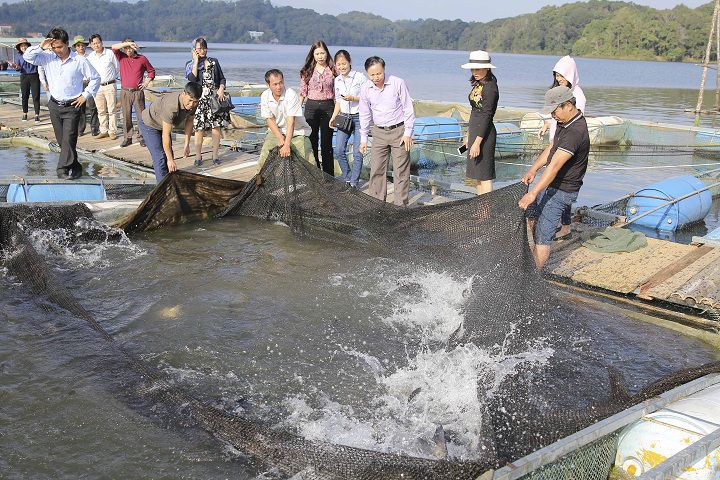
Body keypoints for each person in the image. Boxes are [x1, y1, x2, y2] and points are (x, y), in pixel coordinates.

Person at [518, 86, 590, 270]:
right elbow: (552, 147)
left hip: (563, 189)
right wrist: (533, 169)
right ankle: (532, 264)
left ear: (568, 106)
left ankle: (532, 279)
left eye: (554, 110)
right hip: (552, 184)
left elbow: (555, 165)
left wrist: (533, 193)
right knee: (533, 221)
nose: (553, 115)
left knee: (543, 235)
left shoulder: (575, 131)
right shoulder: (563, 122)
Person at [23, 27, 100, 179]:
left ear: (67, 43)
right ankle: (77, 167)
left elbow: (96, 77)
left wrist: (86, 95)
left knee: (69, 138)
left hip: (73, 105)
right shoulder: (47, 57)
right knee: (62, 142)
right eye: (54, 47)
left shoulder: (79, 60)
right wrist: (41, 46)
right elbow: (28, 57)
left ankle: (61, 170)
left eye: (60, 47)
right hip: (54, 105)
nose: (57, 50)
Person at [539, 55, 587, 240]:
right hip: (556, 142)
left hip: (568, 147)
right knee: (555, 185)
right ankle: (560, 223)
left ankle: (565, 225)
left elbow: (574, 122)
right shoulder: (558, 92)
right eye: (556, 75)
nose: (559, 79)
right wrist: (547, 125)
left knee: (562, 186)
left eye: (562, 75)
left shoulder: (577, 95)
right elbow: (557, 117)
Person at [358, 56, 415, 207]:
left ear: (384, 70)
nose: (376, 77)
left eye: (379, 73)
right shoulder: (365, 88)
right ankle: (376, 205)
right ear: (367, 74)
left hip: (399, 131)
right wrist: (363, 138)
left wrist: (408, 133)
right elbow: (364, 114)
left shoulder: (397, 83)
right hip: (379, 132)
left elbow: (408, 108)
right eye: (372, 75)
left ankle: (400, 206)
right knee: (376, 169)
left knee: (401, 171)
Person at [138, 82, 200, 182]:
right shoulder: (171, 106)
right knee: (161, 157)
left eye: (195, 101)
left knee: (169, 155)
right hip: (149, 123)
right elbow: (165, 135)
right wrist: (170, 160)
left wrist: (186, 144)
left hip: (162, 124)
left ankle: (169, 181)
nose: (192, 104)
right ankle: (162, 189)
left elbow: (189, 121)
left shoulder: (193, 104)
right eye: (190, 100)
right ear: (184, 94)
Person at [185, 38, 229, 166]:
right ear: (194, 50)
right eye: (199, 48)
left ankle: (215, 155)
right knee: (199, 128)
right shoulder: (190, 64)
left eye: (204, 48)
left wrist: (221, 88)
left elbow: (222, 78)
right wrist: (196, 61)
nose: (202, 51)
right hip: (199, 100)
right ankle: (198, 156)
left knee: (216, 127)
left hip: (214, 99)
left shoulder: (214, 62)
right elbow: (192, 80)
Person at [258, 69, 313, 170]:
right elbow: (269, 119)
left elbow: (291, 122)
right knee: (264, 155)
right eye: (275, 84)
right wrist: (279, 138)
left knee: (306, 158)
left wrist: (286, 144)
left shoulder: (290, 94)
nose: (279, 87)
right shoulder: (265, 95)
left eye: (281, 83)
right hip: (277, 130)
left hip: (298, 131)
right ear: (268, 85)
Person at [460, 50, 499, 195]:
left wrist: (477, 141)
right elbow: (475, 111)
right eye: (473, 68)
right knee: (477, 175)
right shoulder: (478, 84)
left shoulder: (490, 87)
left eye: (478, 68)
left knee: (485, 176)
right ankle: (481, 208)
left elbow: (487, 115)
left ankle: (486, 212)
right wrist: (468, 135)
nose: (474, 72)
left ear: (487, 68)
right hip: (475, 131)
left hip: (485, 134)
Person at [329, 49, 366, 188]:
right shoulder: (337, 80)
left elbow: (368, 98)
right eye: (338, 64)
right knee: (338, 150)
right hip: (343, 117)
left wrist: (354, 98)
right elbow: (338, 101)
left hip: (359, 117)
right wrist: (333, 117)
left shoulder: (359, 77)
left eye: (344, 63)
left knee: (358, 152)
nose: (341, 67)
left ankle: (354, 183)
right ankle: (348, 177)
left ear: (349, 62)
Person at [111, 38, 155, 148]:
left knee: (141, 116)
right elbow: (113, 47)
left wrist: (146, 82)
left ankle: (142, 137)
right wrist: (126, 44)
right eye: (126, 48)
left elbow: (151, 71)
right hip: (125, 91)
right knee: (126, 115)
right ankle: (128, 138)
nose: (128, 50)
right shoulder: (121, 56)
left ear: (134, 47)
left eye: (130, 48)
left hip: (137, 91)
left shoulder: (142, 58)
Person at [300, 40, 335, 174]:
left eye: (322, 53)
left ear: (327, 53)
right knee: (312, 141)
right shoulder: (307, 70)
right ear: (312, 54)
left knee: (326, 144)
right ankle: (314, 173)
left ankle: (329, 176)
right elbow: (303, 92)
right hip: (311, 107)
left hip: (328, 107)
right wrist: (296, 110)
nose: (320, 56)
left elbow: (338, 91)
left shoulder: (333, 69)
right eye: (317, 53)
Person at [87, 34, 119, 140]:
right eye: (94, 43)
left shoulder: (109, 53)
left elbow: (117, 67)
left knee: (112, 109)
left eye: (98, 43)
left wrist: (111, 78)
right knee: (100, 110)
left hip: (109, 85)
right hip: (97, 87)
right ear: (91, 45)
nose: (96, 45)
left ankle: (112, 131)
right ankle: (103, 130)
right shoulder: (90, 57)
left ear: (102, 42)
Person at [71, 35, 98, 136]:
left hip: (90, 83)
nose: (81, 47)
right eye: (78, 45)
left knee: (93, 106)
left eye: (83, 45)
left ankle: (94, 128)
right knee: (80, 107)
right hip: (78, 84)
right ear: (75, 47)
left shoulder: (91, 56)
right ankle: (80, 129)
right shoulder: (72, 57)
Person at [10, 38, 41, 123]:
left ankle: (37, 115)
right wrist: (15, 66)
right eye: (22, 46)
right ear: (19, 48)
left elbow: (39, 63)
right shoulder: (18, 56)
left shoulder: (33, 54)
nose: (23, 47)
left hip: (34, 75)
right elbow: (18, 67)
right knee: (24, 96)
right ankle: (25, 113)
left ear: (28, 46)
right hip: (24, 76)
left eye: (25, 45)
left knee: (36, 95)